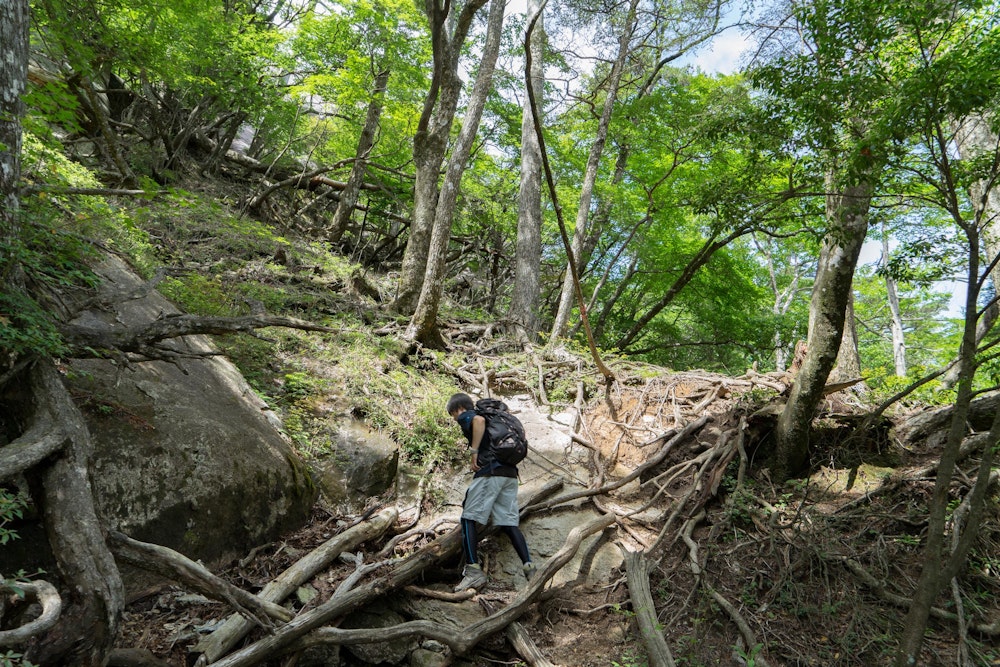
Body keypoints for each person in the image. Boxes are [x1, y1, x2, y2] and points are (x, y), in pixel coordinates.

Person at [447, 392, 536, 591]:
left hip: (490, 472)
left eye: (453, 415)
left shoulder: (468, 414)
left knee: (468, 519)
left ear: (456, 410)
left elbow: (477, 421)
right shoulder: (498, 418)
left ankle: (473, 572)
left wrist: (474, 453)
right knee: (508, 522)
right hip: (509, 475)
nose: (455, 419)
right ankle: (529, 567)